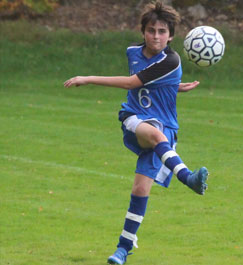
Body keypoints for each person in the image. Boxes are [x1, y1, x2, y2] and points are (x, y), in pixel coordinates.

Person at [64, 1, 209, 264]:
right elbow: (138, 83)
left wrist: (174, 85)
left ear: (171, 36)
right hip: (134, 119)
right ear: (143, 31)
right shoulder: (133, 52)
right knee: (154, 135)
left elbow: (137, 81)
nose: (156, 36)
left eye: (162, 31)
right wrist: (172, 85)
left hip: (165, 127)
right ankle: (188, 177)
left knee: (141, 190)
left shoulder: (171, 60)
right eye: (151, 30)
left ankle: (122, 249)